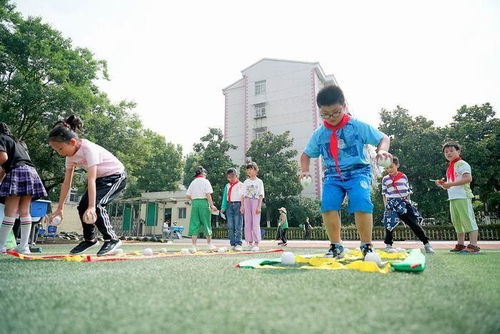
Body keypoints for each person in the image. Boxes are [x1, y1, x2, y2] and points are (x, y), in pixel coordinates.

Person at [300, 85, 392, 257]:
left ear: (344, 106)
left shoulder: (357, 126)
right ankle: (336, 245)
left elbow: (383, 138)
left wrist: (381, 151)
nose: (331, 117)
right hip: (333, 175)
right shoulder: (320, 134)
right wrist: (305, 170)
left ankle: (366, 245)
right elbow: (306, 155)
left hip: (358, 172)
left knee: (361, 201)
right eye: (325, 114)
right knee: (327, 205)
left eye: (335, 112)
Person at [48, 115, 126, 256]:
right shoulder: (69, 157)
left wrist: (92, 206)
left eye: (60, 149)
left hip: (116, 176)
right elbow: (67, 183)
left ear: (72, 142)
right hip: (100, 179)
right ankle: (90, 240)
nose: (59, 153)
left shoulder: (88, 148)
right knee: (82, 206)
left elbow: (91, 179)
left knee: (96, 205)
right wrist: (60, 207)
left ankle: (112, 239)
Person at [0, 123, 47, 254]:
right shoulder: (17, 142)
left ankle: (1, 246)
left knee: (10, 211)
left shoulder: (1, 138)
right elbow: (6, 167)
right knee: (24, 211)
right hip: (31, 172)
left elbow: (3, 158)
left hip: (17, 171)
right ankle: (24, 247)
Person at [381, 156, 434, 253]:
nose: (389, 170)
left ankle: (427, 244)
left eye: (391, 167)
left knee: (414, 224)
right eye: (387, 168)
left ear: (397, 165)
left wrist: (408, 203)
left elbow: (407, 191)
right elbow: (384, 194)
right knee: (389, 224)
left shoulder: (403, 176)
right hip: (391, 204)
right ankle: (388, 245)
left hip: (403, 203)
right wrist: (386, 206)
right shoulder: (385, 179)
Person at [435, 141, 479, 253]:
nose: (448, 153)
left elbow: (468, 178)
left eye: (451, 150)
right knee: (457, 222)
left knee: (468, 220)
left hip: (463, 196)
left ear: (458, 151)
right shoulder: (450, 167)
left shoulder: (462, 164)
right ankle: (460, 245)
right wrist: (442, 185)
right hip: (453, 197)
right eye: (446, 151)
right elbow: (449, 186)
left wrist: (449, 184)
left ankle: (473, 246)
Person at [186, 166, 218, 252]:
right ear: (203, 173)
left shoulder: (193, 182)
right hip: (204, 203)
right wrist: (212, 205)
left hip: (195, 203)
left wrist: (195, 199)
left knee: (194, 223)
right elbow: (208, 194)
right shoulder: (206, 181)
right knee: (206, 223)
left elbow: (188, 195)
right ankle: (209, 245)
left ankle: (193, 246)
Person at [241, 161, 264, 251]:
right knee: (247, 223)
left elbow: (261, 194)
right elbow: (243, 195)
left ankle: (256, 243)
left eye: (251, 169)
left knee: (255, 223)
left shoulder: (259, 182)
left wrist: (259, 206)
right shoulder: (246, 182)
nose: (249, 171)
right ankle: (249, 243)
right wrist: (242, 206)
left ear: (256, 170)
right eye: (248, 170)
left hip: (255, 201)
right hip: (247, 201)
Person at [220, 167, 244, 251]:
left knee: (238, 225)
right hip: (229, 205)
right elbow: (224, 197)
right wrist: (223, 207)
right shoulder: (227, 186)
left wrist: (242, 206)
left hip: (238, 204)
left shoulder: (241, 185)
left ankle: (238, 243)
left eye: (233, 175)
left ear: (236, 175)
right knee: (230, 225)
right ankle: (232, 243)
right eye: (229, 176)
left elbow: (242, 196)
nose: (231, 178)